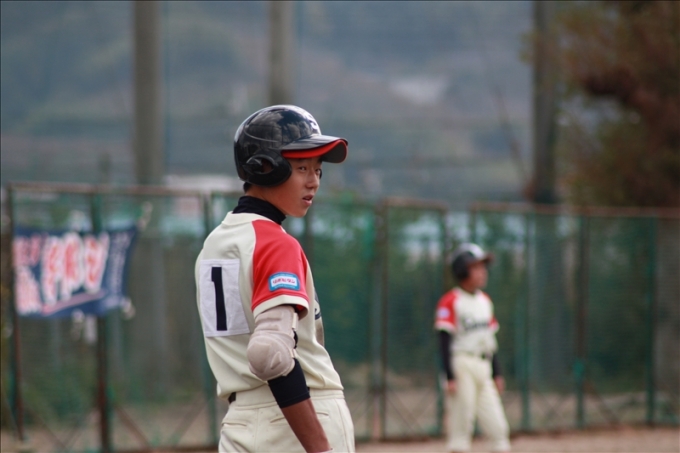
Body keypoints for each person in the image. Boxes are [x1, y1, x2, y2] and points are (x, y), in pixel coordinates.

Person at [195, 105, 355, 453]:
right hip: (301, 418)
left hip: (240, 421)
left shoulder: (213, 244)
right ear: (264, 167)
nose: (313, 181)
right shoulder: (275, 242)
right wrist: (319, 446)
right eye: (301, 167)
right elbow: (270, 354)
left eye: (317, 169)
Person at [434, 243, 511, 453]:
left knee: (498, 428)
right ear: (461, 270)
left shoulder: (485, 301)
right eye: (476, 267)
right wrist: (449, 376)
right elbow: (444, 341)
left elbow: (490, 341)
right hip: (462, 364)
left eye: (483, 267)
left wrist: (497, 373)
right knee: (461, 426)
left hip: (483, 365)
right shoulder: (451, 300)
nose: (482, 272)